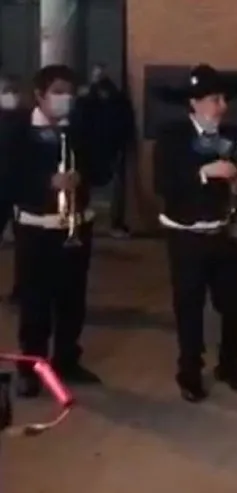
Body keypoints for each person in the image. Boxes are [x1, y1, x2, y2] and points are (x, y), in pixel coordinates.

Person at [153, 64, 237, 402]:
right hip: (186, 235)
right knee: (189, 304)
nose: (222, 106)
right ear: (195, 103)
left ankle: (230, 365)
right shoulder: (172, 136)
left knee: (235, 301)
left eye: (223, 99)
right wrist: (204, 172)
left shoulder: (234, 134)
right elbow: (163, 183)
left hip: (224, 231)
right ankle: (189, 372)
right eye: (215, 99)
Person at [2, 65, 111, 396]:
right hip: (35, 228)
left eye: (69, 92)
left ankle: (67, 359)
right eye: (58, 92)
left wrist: (84, 174)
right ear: (40, 95)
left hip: (75, 224)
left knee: (72, 299)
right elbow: (6, 177)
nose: (65, 99)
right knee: (35, 301)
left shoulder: (79, 128)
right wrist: (46, 182)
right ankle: (31, 368)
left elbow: (102, 169)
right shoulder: (15, 129)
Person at [74, 62, 135, 238]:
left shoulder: (113, 99)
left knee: (112, 190)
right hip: (95, 148)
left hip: (103, 148)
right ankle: (88, 222)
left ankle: (111, 223)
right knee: (85, 189)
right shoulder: (93, 99)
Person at [0, 74, 26, 304]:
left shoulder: (26, 120)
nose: (11, 96)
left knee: (24, 244)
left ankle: (21, 288)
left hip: (20, 188)